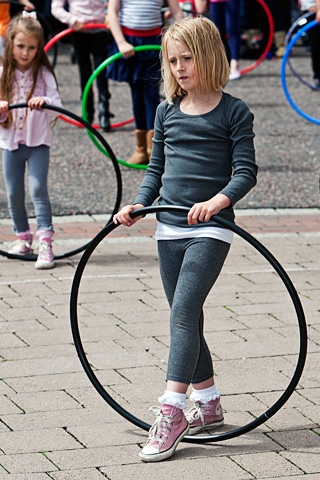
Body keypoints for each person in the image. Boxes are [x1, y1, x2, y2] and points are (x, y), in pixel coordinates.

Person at [113, 16, 257, 462]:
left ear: (209, 57)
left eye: (187, 58)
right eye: (172, 60)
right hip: (168, 227)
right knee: (186, 317)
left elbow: (245, 172)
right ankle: (208, 402)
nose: (178, 67)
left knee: (183, 312)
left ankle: (172, 410)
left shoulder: (235, 111)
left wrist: (217, 202)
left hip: (211, 229)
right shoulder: (166, 111)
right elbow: (155, 170)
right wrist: (138, 204)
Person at [0, 12, 62, 269]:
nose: (26, 52)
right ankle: (23, 237)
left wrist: (44, 102)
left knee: (37, 189)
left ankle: (45, 241)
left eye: (32, 47)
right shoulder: (3, 73)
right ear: (10, 44)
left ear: (39, 48)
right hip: (10, 144)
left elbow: (58, 105)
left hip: (37, 143)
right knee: (14, 193)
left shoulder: (44, 73)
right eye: (20, 46)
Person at [107, 0, 183, 165]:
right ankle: (140, 147)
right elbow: (112, 12)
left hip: (153, 41)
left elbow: (177, 12)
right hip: (129, 42)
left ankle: (153, 148)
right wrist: (120, 42)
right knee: (136, 94)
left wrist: (178, 42)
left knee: (151, 95)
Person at [51, 0, 113, 131]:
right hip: (78, 31)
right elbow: (55, 8)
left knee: (101, 70)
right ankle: (87, 112)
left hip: (99, 29)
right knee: (84, 72)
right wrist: (73, 21)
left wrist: (110, 17)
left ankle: (104, 111)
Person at [209, 0, 241, 79]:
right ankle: (224, 64)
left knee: (232, 29)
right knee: (217, 32)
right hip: (215, 1)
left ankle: (234, 63)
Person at [300, 0, 320, 89]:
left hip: (315, 9)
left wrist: (319, 9)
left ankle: (318, 78)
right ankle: (318, 77)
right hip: (310, 8)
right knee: (315, 45)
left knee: (316, 45)